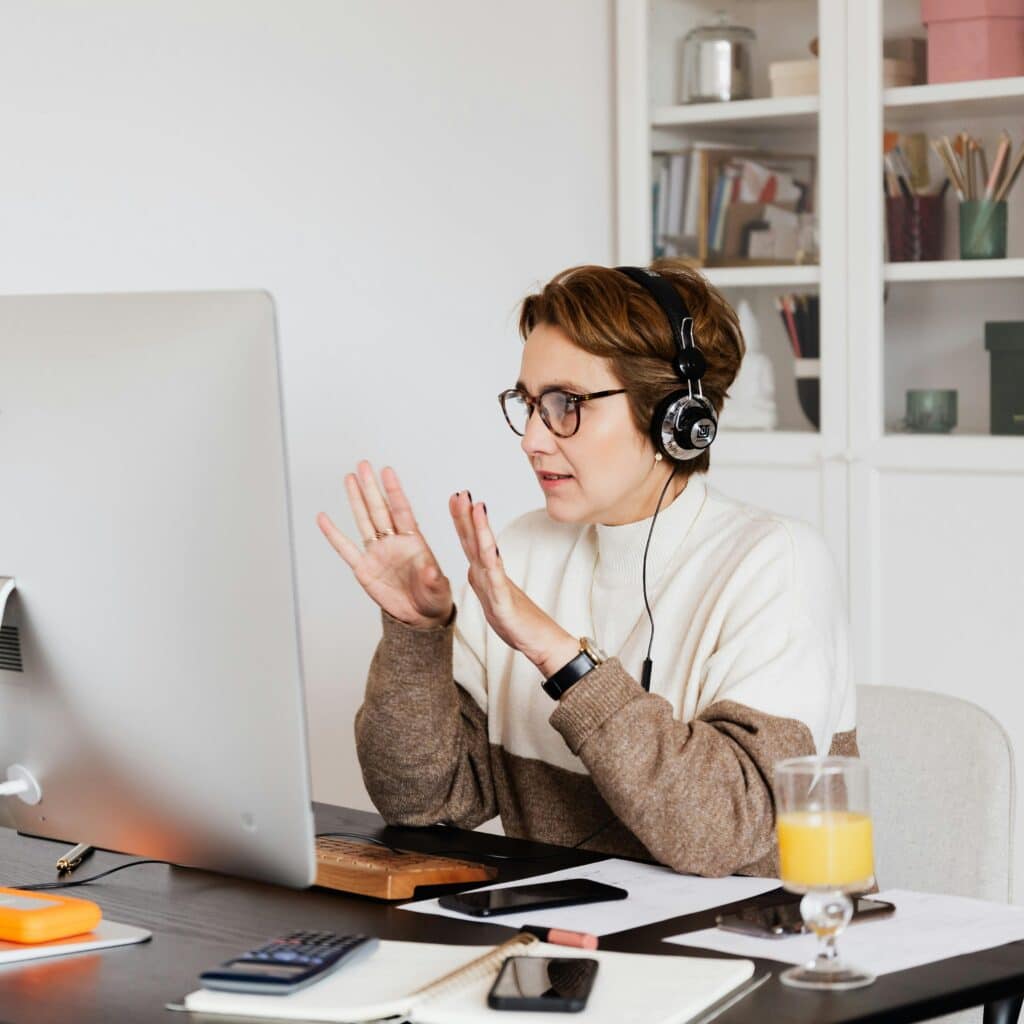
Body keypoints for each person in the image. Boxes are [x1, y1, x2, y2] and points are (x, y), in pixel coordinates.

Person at [318, 260, 856, 878]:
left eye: (565, 403)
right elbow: (423, 800)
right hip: (569, 933)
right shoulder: (521, 551)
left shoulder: (776, 562)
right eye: (528, 404)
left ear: (674, 417)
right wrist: (416, 636)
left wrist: (557, 654)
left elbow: (723, 833)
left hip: (760, 934)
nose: (532, 439)